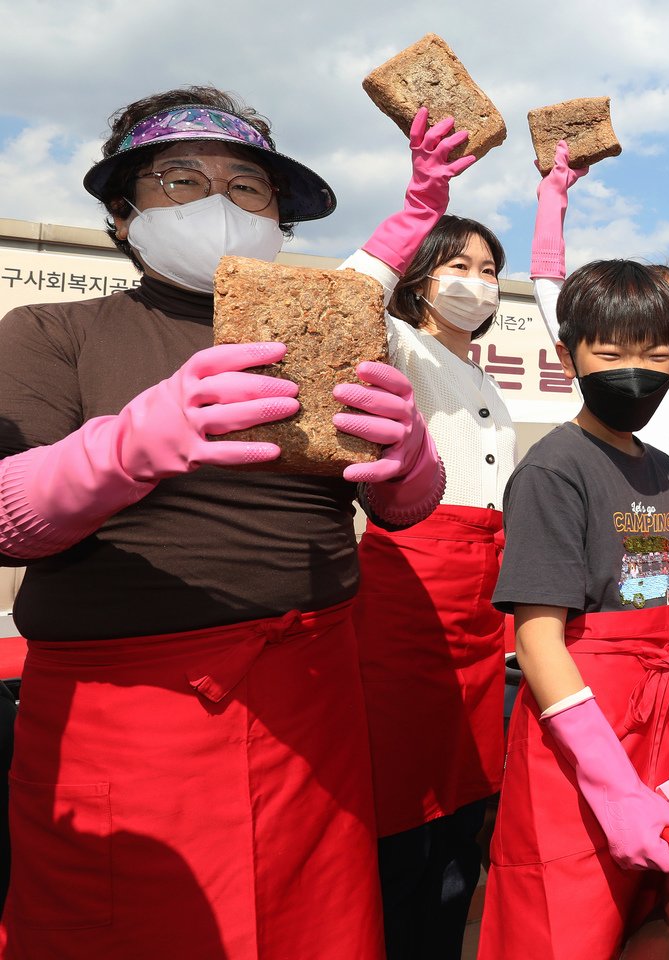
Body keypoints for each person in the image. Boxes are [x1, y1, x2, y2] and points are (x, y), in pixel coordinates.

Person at [0, 87, 445, 959]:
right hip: (127, 717)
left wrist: (410, 458)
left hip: (315, 705)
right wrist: (133, 441)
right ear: (122, 215)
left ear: (278, 219)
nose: (220, 202)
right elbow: (9, 522)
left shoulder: (331, 337)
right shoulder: (54, 331)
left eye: (248, 187)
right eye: (180, 179)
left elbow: (401, 510)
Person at [477, 260, 669, 960]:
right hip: (579, 735)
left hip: (659, 726)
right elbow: (539, 641)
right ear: (568, 357)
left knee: (650, 927)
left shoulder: (663, 470)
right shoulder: (553, 470)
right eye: (610, 354)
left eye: (655, 355)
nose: (634, 372)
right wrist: (610, 787)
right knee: (563, 923)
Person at [339, 109, 508, 959]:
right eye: (459, 266)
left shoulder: (483, 377)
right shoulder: (399, 342)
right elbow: (341, 301)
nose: (478, 282)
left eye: (490, 270)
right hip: (408, 582)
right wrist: (416, 207)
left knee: (466, 802)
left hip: (483, 601)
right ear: (419, 277)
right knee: (401, 799)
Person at [530, 144, 669, 542]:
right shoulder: (594, 376)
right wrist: (551, 200)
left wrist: (666, 568)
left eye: (662, 312)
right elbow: (547, 287)